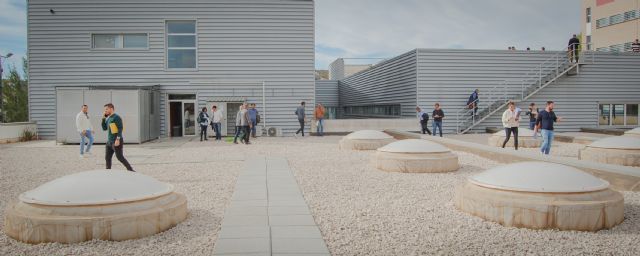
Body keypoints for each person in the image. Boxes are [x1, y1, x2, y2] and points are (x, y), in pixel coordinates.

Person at [101, 103, 134, 172]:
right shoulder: (109, 118)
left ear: (111, 109)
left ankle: (131, 170)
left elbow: (120, 128)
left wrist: (117, 139)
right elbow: (104, 128)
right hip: (109, 142)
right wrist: (103, 118)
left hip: (116, 141)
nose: (105, 111)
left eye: (106, 109)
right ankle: (108, 171)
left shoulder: (116, 117)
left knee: (120, 157)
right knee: (107, 158)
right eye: (105, 110)